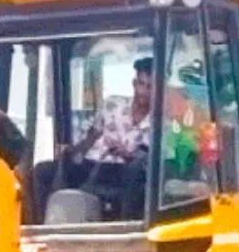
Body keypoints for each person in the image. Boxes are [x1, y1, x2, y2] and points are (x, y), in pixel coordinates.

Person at [33, 57, 154, 220]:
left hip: (123, 172)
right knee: (42, 171)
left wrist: (128, 154)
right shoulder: (113, 104)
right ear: (134, 83)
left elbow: (150, 161)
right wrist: (72, 151)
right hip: (91, 164)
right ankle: (42, 227)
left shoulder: (160, 121)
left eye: (150, 87)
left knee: (134, 178)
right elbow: (91, 137)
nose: (144, 92)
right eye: (141, 84)